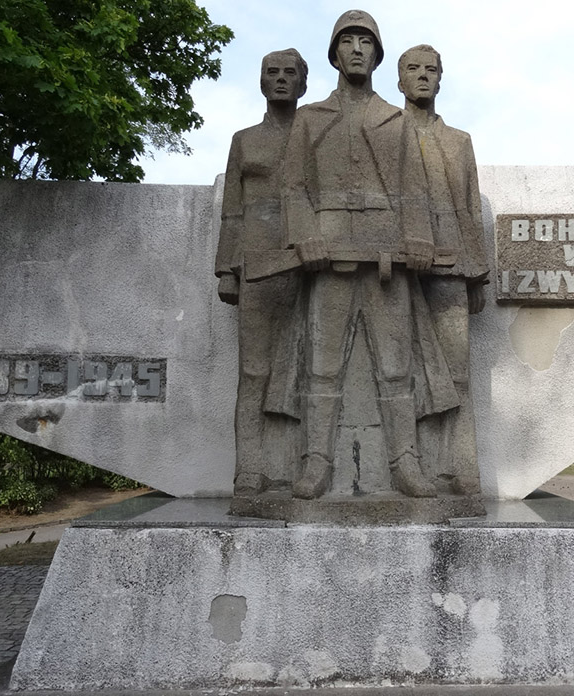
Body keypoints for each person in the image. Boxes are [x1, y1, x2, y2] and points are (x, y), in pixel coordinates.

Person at [277, 11, 459, 500]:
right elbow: (293, 188)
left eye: (366, 42)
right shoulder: (310, 119)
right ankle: (315, 461)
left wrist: (417, 240)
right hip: (328, 255)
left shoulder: (394, 121)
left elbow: (414, 191)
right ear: (335, 53)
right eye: (348, 41)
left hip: (386, 255)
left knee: (397, 365)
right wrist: (306, 235)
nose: (357, 49)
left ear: (376, 55)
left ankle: (406, 463)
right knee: (322, 365)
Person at [215, 49, 308, 496]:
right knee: (254, 373)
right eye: (272, 72)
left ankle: (304, 470)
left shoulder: (314, 136)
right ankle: (248, 470)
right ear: (260, 81)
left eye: (290, 73)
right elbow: (231, 210)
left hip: (306, 267)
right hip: (255, 267)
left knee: (309, 374)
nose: (281, 80)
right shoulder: (244, 140)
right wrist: (226, 270)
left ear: (304, 84)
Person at [398, 44, 489, 494]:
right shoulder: (385, 133)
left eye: (431, 70)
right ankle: (406, 467)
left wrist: (479, 275)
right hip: (396, 268)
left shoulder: (459, 142)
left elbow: (470, 208)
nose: (422, 77)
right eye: (413, 69)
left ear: (440, 79)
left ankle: (460, 467)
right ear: (398, 80)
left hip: (452, 266)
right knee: (401, 372)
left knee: (456, 373)